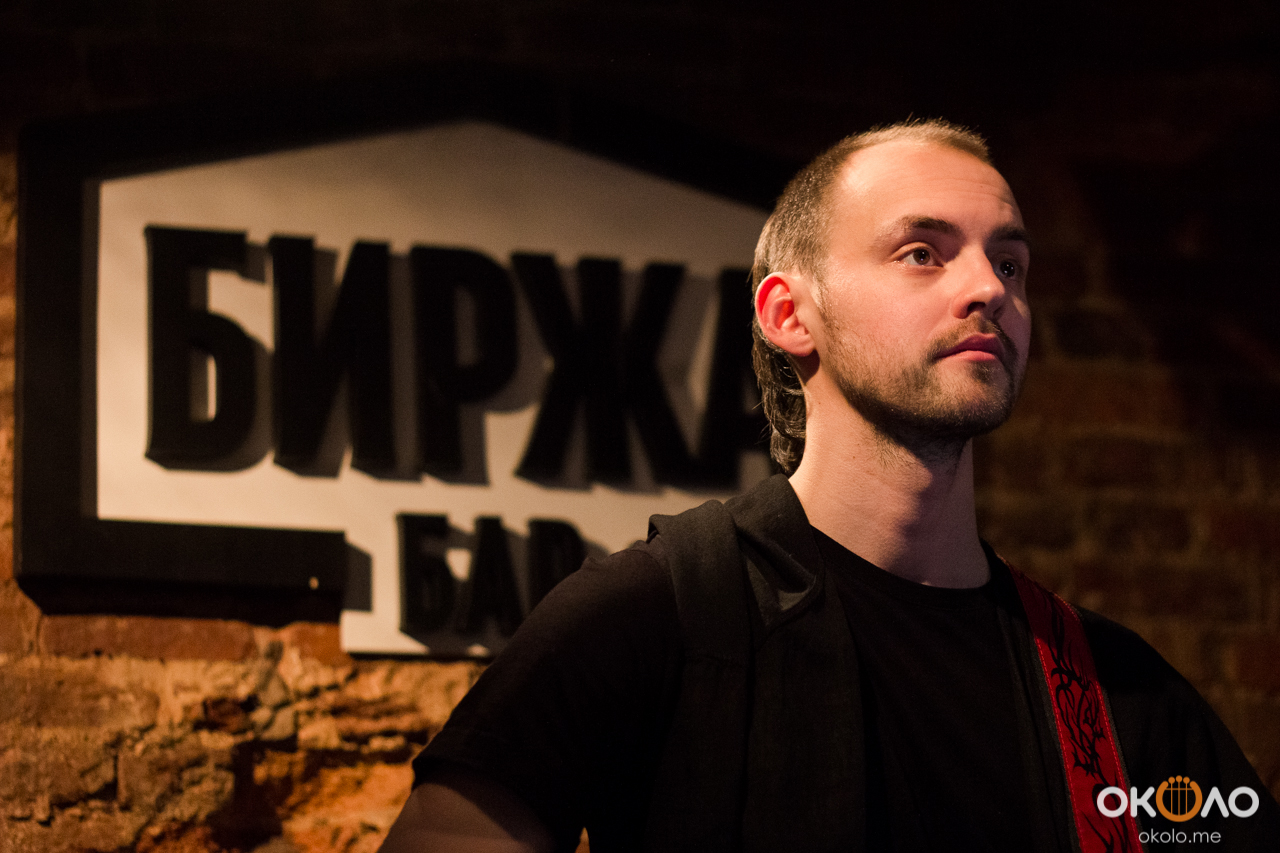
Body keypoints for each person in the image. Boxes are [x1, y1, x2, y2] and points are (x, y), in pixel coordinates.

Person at [379, 120, 1279, 852]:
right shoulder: (659, 609)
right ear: (789, 315)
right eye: (923, 252)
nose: (988, 288)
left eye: (1009, 263)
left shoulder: (1111, 688)